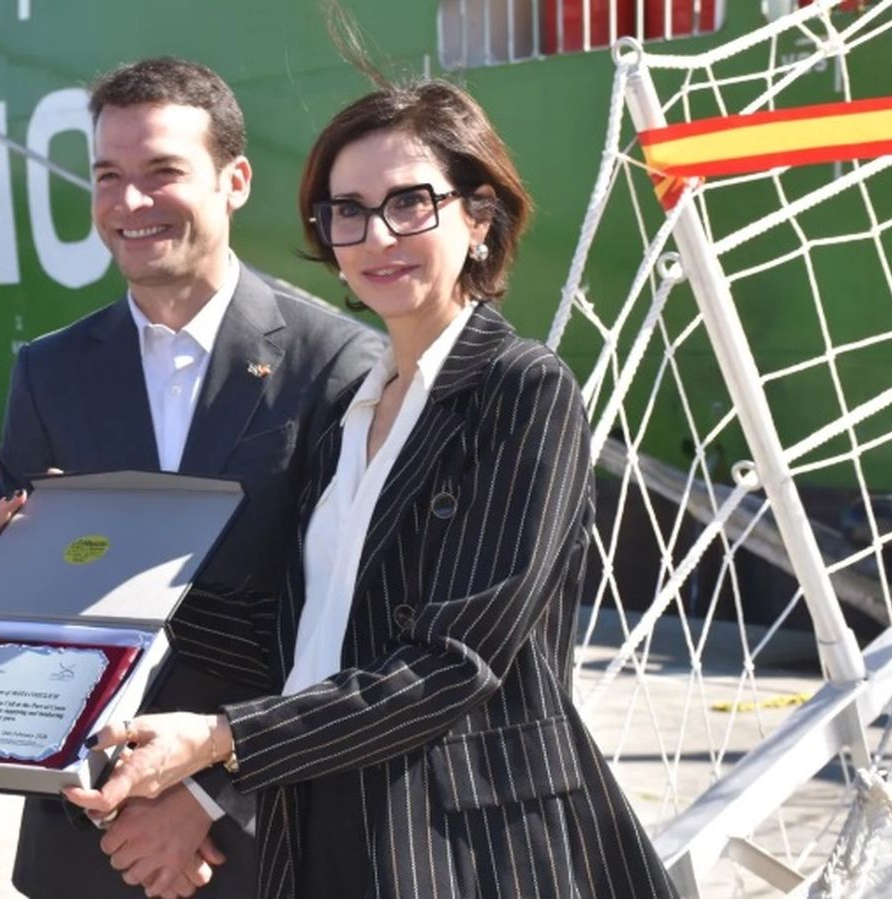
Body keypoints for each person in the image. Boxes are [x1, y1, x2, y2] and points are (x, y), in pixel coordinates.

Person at [66, 80, 680, 899]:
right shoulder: (350, 411)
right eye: (347, 211)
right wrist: (78, 555)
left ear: (479, 217)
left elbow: (455, 663)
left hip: (467, 850)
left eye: (410, 203)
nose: (377, 236)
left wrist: (218, 737)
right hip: (322, 831)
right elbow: (292, 632)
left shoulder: (521, 390)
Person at [0, 57, 382, 899]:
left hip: (261, 840)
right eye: (108, 176)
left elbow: (348, 624)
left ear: (234, 181)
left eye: (162, 171)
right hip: (83, 843)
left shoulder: (338, 366)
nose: (130, 202)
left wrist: (209, 796)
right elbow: (38, 622)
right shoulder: (47, 372)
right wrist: (1, 583)